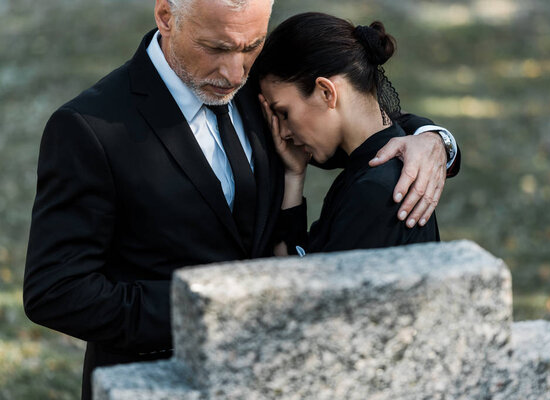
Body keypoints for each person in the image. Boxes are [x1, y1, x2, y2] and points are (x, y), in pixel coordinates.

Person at [23, 0, 459, 398]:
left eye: (251, 46)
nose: (234, 73)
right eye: (216, 47)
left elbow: (354, 110)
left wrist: (431, 140)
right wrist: (214, 307)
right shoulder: (89, 128)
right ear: (165, 16)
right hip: (161, 382)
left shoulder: (258, 84)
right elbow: (56, 290)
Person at [256, 12, 441, 254]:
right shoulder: (369, 167)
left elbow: (301, 288)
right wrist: (294, 175)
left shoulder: (376, 191)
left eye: (284, 113)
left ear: (326, 92)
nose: (282, 131)